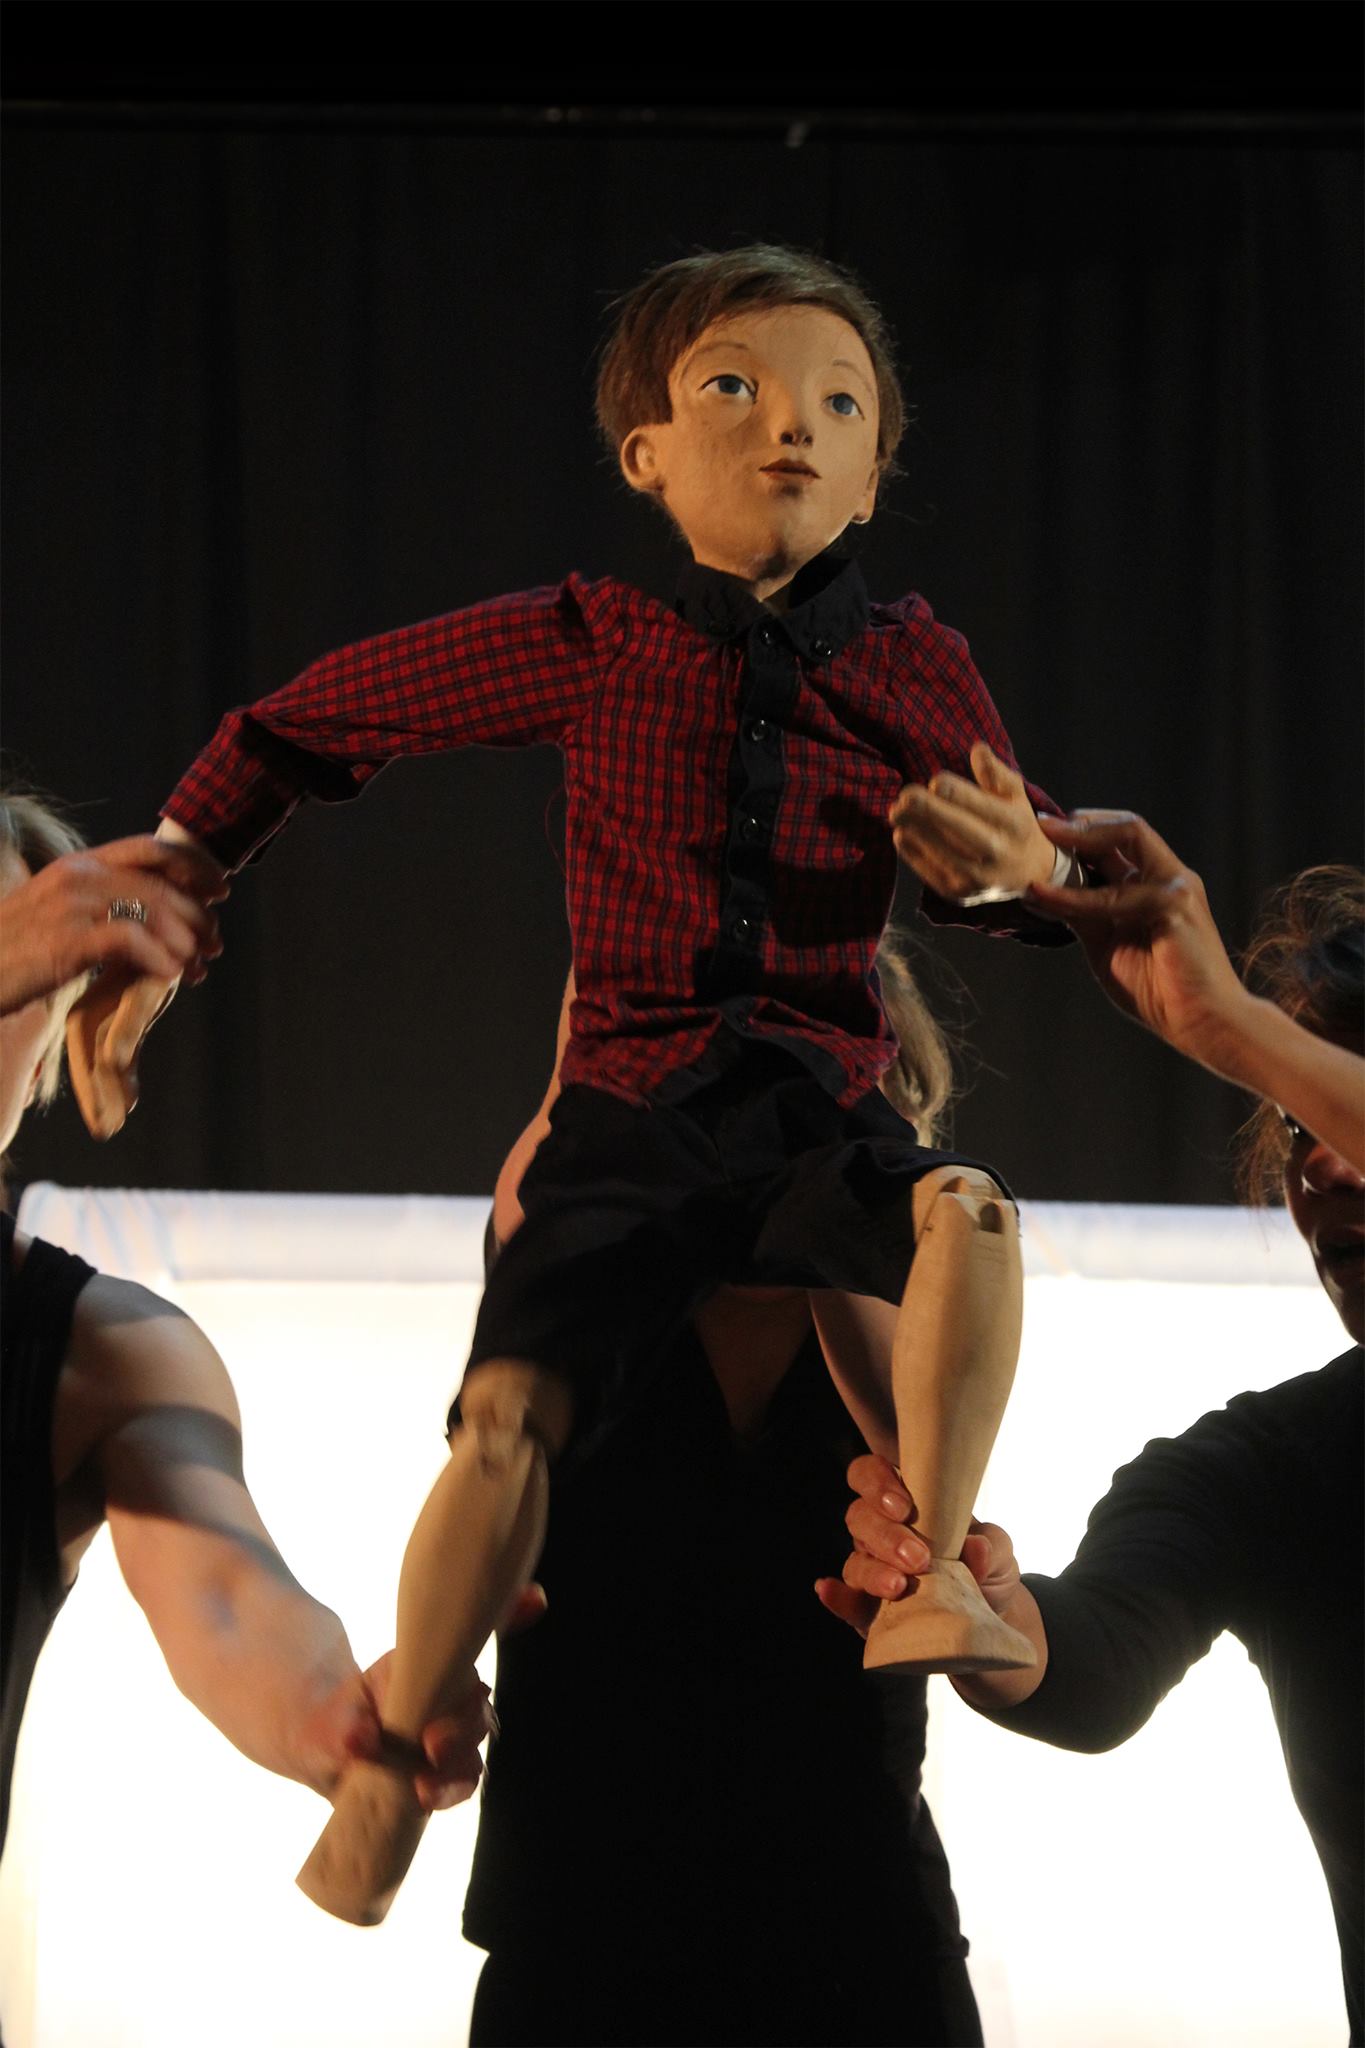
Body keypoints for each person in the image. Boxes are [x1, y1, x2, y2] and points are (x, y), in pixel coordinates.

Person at [71, 245, 1087, 1911]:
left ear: (878, 472)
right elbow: (309, 722)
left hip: (813, 1114)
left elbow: (1042, 860)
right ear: (646, 455)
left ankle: (936, 1572)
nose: (790, 429)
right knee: (505, 1422)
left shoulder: (912, 666)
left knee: (967, 1212)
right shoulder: (594, 640)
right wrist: (174, 870)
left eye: (839, 405)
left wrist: (1022, 871)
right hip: (634, 1110)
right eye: (733, 390)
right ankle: (387, 1771)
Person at [820, 841, 1364, 2042]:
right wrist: (982, 1607)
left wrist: (1229, 1025)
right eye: (1291, 1122)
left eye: (1338, 1098)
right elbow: (1100, 1656)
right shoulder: (1270, 1466)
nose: (1320, 1162)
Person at [467, 941, 983, 2047]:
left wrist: (831, 1189)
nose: (754, 1130)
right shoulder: (578, 1274)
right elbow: (560, 1131)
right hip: (580, 1922)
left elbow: (915, 1441)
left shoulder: (900, 1316)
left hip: (852, 1920)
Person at [0, 791, 495, 1879]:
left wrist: (346, 1718)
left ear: (47, 1052)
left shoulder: (108, 1348)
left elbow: (228, 1603)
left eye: (33, 962)